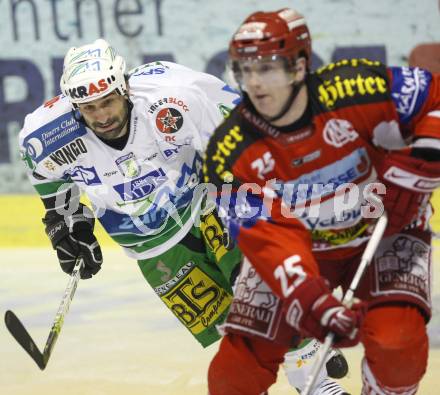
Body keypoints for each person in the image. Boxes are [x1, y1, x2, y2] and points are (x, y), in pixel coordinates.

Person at [18, 39, 348, 393]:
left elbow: (236, 151)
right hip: (147, 241)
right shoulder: (47, 135)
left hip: (207, 200)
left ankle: (314, 382)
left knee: (255, 288)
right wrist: (67, 224)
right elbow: (48, 177)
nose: (101, 116)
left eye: (108, 102)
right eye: (89, 108)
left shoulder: (175, 99)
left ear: (124, 88)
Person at [204, 7, 440, 395]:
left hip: (385, 234)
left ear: (299, 67)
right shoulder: (229, 151)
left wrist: (421, 164)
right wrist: (310, 298)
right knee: (234, 375)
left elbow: (435, 99)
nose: (255, 84)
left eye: (268, 69)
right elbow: (266, 238)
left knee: (398, 346)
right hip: (300, 251)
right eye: (244, 70)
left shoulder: (358, 87)